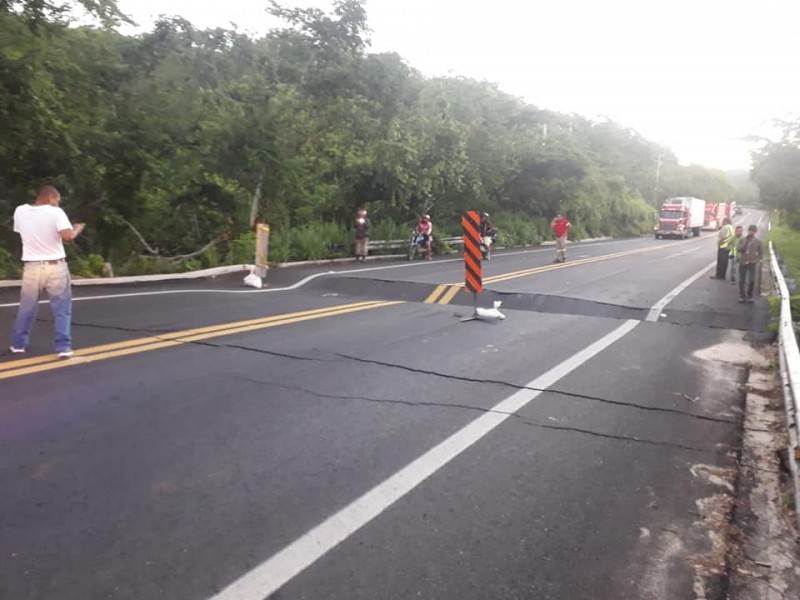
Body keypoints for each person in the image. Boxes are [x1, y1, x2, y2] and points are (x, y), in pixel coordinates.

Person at [9, 185, 85, 358]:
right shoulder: (56, 213)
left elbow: (23, 232)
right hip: (55, 266)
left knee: (27, 307)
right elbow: (68, 237)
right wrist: (76, 228)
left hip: (31, 267)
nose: (58, 204)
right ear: (50, 197)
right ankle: (63, 348)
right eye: (57, 201)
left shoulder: (20, 211)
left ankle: (18, 344)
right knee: (62, 308)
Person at [737, 224, 762, 303]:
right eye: (750, 230)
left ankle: (750, 295)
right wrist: (745, 243)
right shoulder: (743, 240)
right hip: (743, 262)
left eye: (753, 231)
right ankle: (742, 296)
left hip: (752, 263)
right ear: (748, 231)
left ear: (755, 232)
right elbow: (739, 249)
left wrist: (756, 260)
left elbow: (761, 254)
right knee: (741, 280)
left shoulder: (758, 242)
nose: (751, 232)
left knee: (752, 280)